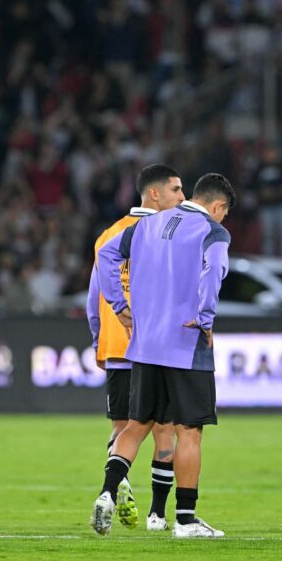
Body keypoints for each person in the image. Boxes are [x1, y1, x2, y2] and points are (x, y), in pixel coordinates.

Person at [90, 173, 235, 539]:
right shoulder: (212, 231)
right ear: (218, 206)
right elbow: (215, 269)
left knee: (136, 425)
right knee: (189, 431)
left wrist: (119, 305)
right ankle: (185, 519)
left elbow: (106, 254)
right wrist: (205, 317)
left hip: (144, 344)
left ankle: (107, 492)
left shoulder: (147, 226)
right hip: (185, 345)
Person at [86, 164, 184, 531]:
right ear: (154, 194)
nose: (182, 199)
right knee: (165, 429)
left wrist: (100, 341)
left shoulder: (108, 236)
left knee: (121, 426)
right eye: (176, 191)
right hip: (157, 347)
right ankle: (158, 514)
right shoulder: (169, 235)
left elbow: (93, 298)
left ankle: (116, 484)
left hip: (116, 346)